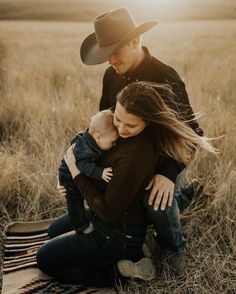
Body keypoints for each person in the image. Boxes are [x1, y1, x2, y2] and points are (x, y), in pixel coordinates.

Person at [37, 81, 216, 288]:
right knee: (53, 231)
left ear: (147, 122)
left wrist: (77, 176)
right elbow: (88, 141)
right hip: (104, 217)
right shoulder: (118, 128)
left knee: (45, 260)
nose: (121, 128)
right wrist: (68, 179)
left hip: (116, 235)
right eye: (118, 119)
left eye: (130, 125)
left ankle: (121, 272)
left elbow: (108, 211)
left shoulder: (135, 156)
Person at [79, 7, 204, 273]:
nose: (110, 60)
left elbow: (193, 134)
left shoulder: (166, 79)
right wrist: (80, 161)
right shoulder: (111, 76)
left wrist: (168, 175)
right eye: (105, 54)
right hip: (125, 155)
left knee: (154, 200)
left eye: (115, 51)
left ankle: (175, 248)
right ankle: (188, 196)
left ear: (136, 41)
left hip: (162, 160)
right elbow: (103, 120)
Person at [59, 109, 119, 235]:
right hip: (69, 177)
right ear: (98, 136)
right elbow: (81, 165)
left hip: (70, 172)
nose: (114, 145)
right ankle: (81, 226)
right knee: (75, 202)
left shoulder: (92, 140)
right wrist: (99, 173)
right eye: (112, 141)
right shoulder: (85, 148)